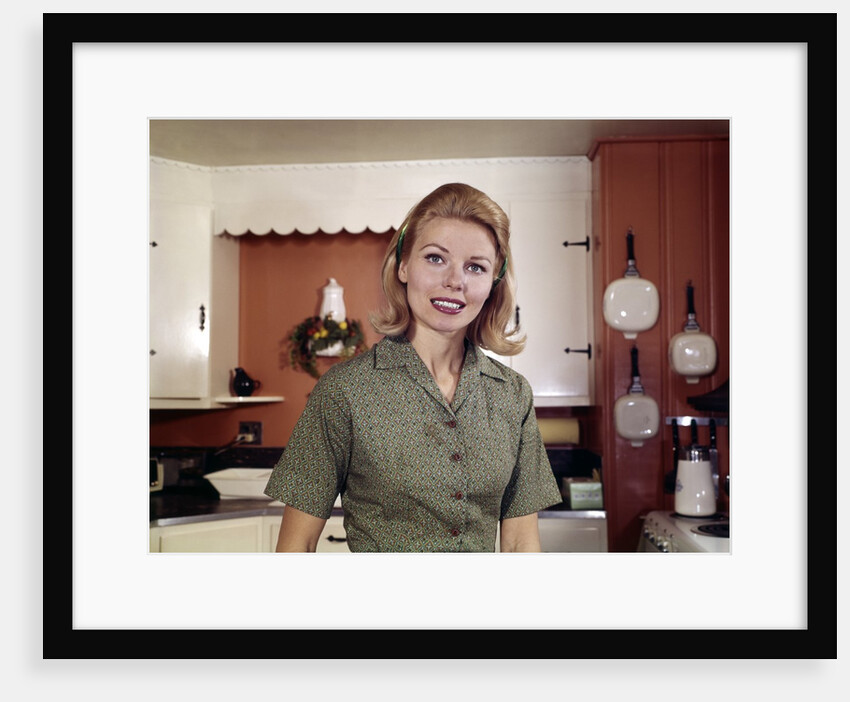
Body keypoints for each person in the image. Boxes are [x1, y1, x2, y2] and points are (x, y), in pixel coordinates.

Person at [264, 182, 562, 552]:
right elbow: (296, 546)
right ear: (403, 266)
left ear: (493, 283)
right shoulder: (345, 391)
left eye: (476, 267)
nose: (455, 281)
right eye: (436, 258)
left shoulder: (512, 394)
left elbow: (521, 544)